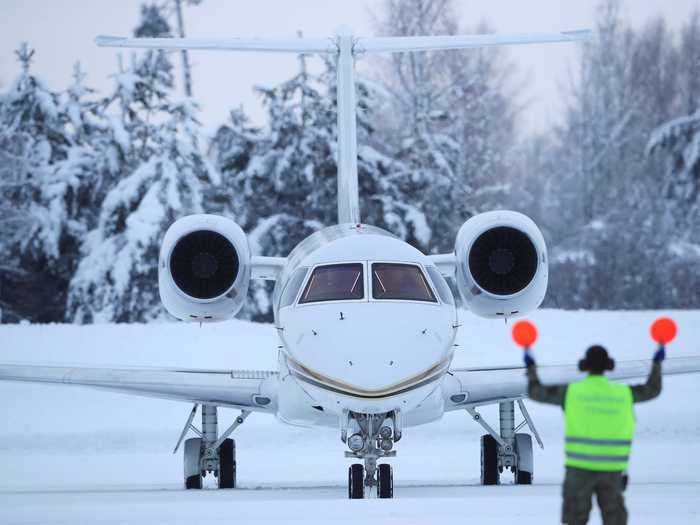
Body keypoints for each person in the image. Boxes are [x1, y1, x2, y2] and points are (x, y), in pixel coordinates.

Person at [525, 344, 664, 525]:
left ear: (584, 365)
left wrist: (531, 367)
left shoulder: (572, 392)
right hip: (612, 471)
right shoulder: (623, 394)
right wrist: (657, 363)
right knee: (614, 520)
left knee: (575, 520)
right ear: (609, 365)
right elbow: (652, 390)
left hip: (578, 470)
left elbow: (536, 392)